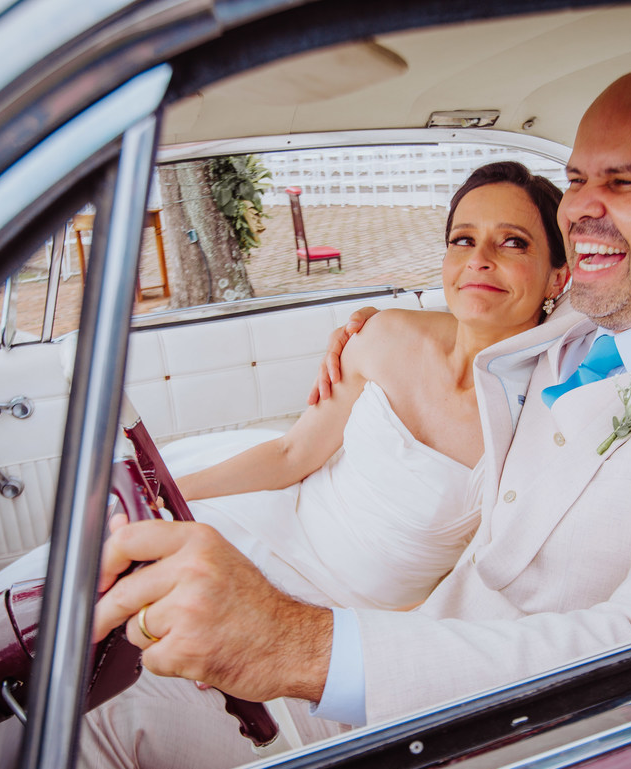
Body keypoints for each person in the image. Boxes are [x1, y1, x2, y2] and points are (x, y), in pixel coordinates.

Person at [80, 65, 631, 769]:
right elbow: (480, 316)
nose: (581, 209)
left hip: (491, 743)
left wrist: (296, 647)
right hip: (408, 656)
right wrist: (368, 330)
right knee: (98, 694)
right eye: (576, 180)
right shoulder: (581, 327)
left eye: (625, 182)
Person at [160, 160, 569, 612]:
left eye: (513, 242)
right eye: (463, 240)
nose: (478, 259)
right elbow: (290, 455)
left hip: (351, 620)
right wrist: (166, 498)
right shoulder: (386, 335)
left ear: (558, 275)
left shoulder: (547, 414)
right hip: (274, 528)